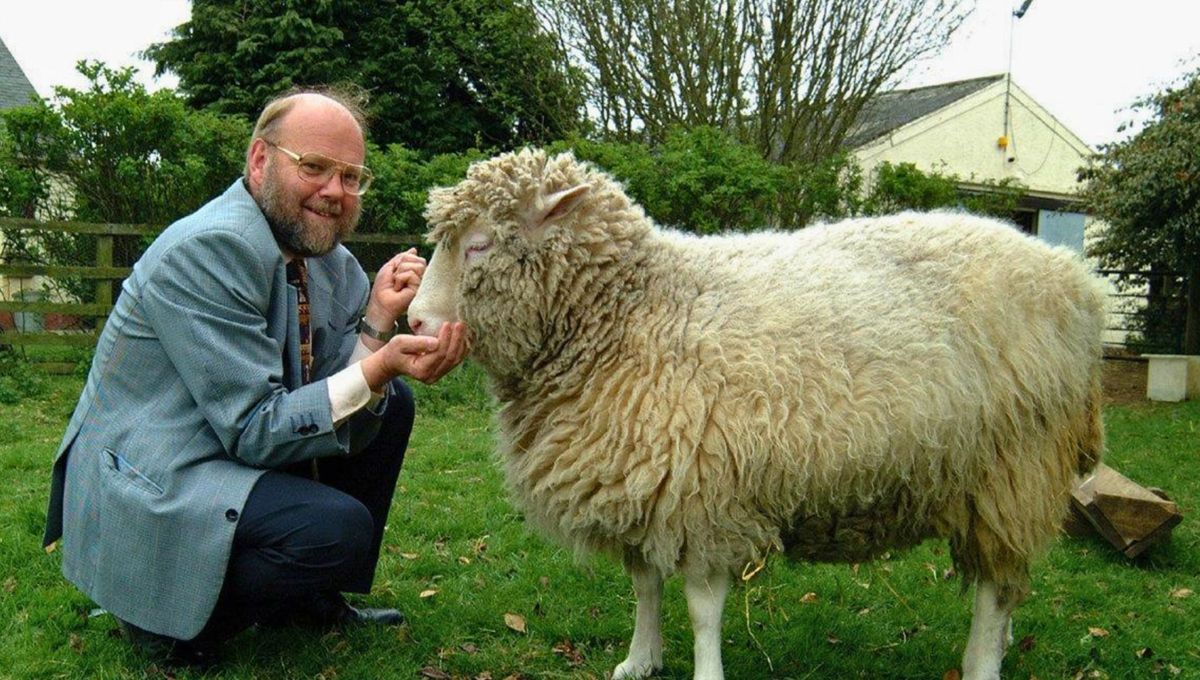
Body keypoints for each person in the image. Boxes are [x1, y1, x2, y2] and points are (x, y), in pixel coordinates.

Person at [42, 88, 469, 667]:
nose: (335, 191)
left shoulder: (333, 263)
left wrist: (376, 323)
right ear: (261, 160)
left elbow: (325, 394)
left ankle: (310, 598)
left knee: (390, 403)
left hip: (225, 447)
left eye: (351, 177)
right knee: (336, 528)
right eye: (314, 167)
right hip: (154, 474)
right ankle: (162, 622)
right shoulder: (207, 250)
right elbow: (255, 429)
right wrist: (378, 364)